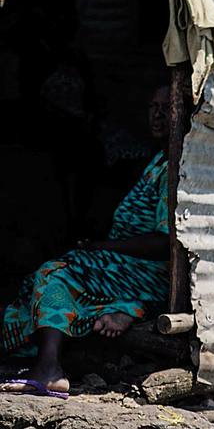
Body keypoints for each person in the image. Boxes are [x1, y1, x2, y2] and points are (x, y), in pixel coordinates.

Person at [1, 85, 172, 398]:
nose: (158, 115)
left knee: (55, 272)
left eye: (168, 107)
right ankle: (125, 310)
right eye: (153, 106)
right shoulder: (159, 160)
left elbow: (165, 242)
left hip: (148, 272)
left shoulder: (175, 166)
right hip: (128, 268)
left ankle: (49, 369)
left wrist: (103, 248)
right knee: (35, 286)